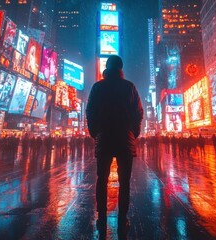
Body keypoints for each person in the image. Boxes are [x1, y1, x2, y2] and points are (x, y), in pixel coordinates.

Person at [86, 55, 143, 237]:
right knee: (124, 181)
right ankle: (122, 218)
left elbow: (90, 112)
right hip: (125, 138)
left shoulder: (98, 87)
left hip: (104, 137)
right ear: (121, 68)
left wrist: (96, 133)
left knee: (101, 179)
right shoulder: (129, 87)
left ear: (107, 67)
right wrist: (133, 133)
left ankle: (102, 218)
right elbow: (138, 113)